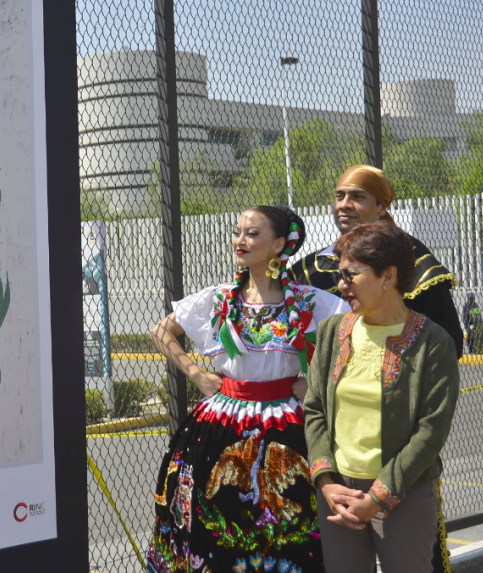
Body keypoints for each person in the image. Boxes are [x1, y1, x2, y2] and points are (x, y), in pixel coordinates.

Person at [145, 206, 349, 573]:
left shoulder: (310, 301)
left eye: (253, 233)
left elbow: (353, 340)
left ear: (280, 245)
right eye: (238, 232)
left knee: (293, 523)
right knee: (215, 521)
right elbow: (161, 331)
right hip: (221, 425)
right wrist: (196, 374)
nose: (241, 240)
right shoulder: (219, 299)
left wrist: (314, 380)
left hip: (288, 424)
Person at [304, 223, 460, 573]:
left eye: (351, 275)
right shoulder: (332, 331)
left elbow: (431, 430)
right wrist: (326, 482)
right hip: (338, 495)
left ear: (388, 275)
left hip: (402, 494)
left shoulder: (433, 342)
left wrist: (377, 498)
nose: (341, 285)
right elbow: (314, 409)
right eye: (340, 274)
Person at [289, 164, 464, 360]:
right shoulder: (309, 269)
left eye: (358, 197)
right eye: (340, 196)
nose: (344, 204)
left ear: (381, 207)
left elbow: (448, 344)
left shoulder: (415, 260)